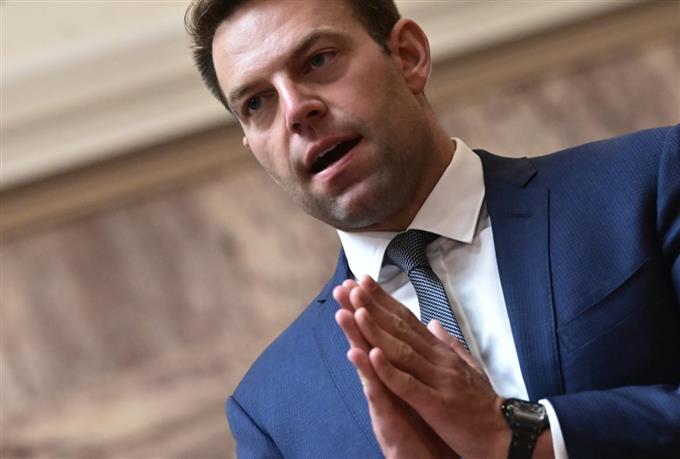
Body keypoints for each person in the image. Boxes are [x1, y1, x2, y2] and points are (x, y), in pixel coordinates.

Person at [185, 0, 680, 457]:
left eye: (318, 60)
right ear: (253, 147)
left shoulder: (650, 180)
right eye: (257, 103)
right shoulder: (271, 412)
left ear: (408, 56)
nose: (295, 110)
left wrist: (525, 437)